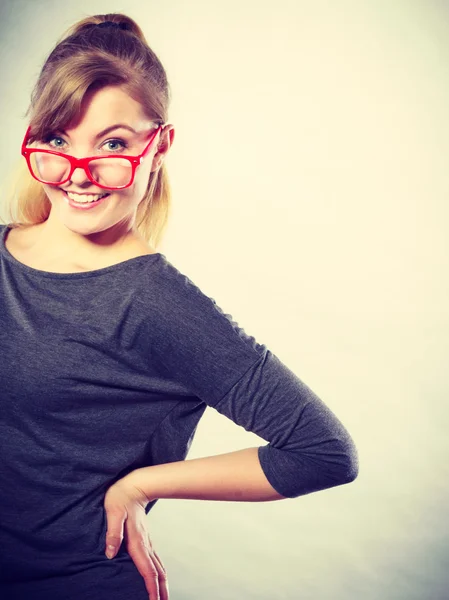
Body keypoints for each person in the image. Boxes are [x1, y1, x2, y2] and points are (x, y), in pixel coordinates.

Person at [0, 12, 359, 600]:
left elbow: (323, 453)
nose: (78, 174)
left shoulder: (155, 304)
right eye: (59, 139)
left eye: (113, 143)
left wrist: (137, 485)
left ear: (159, 146)